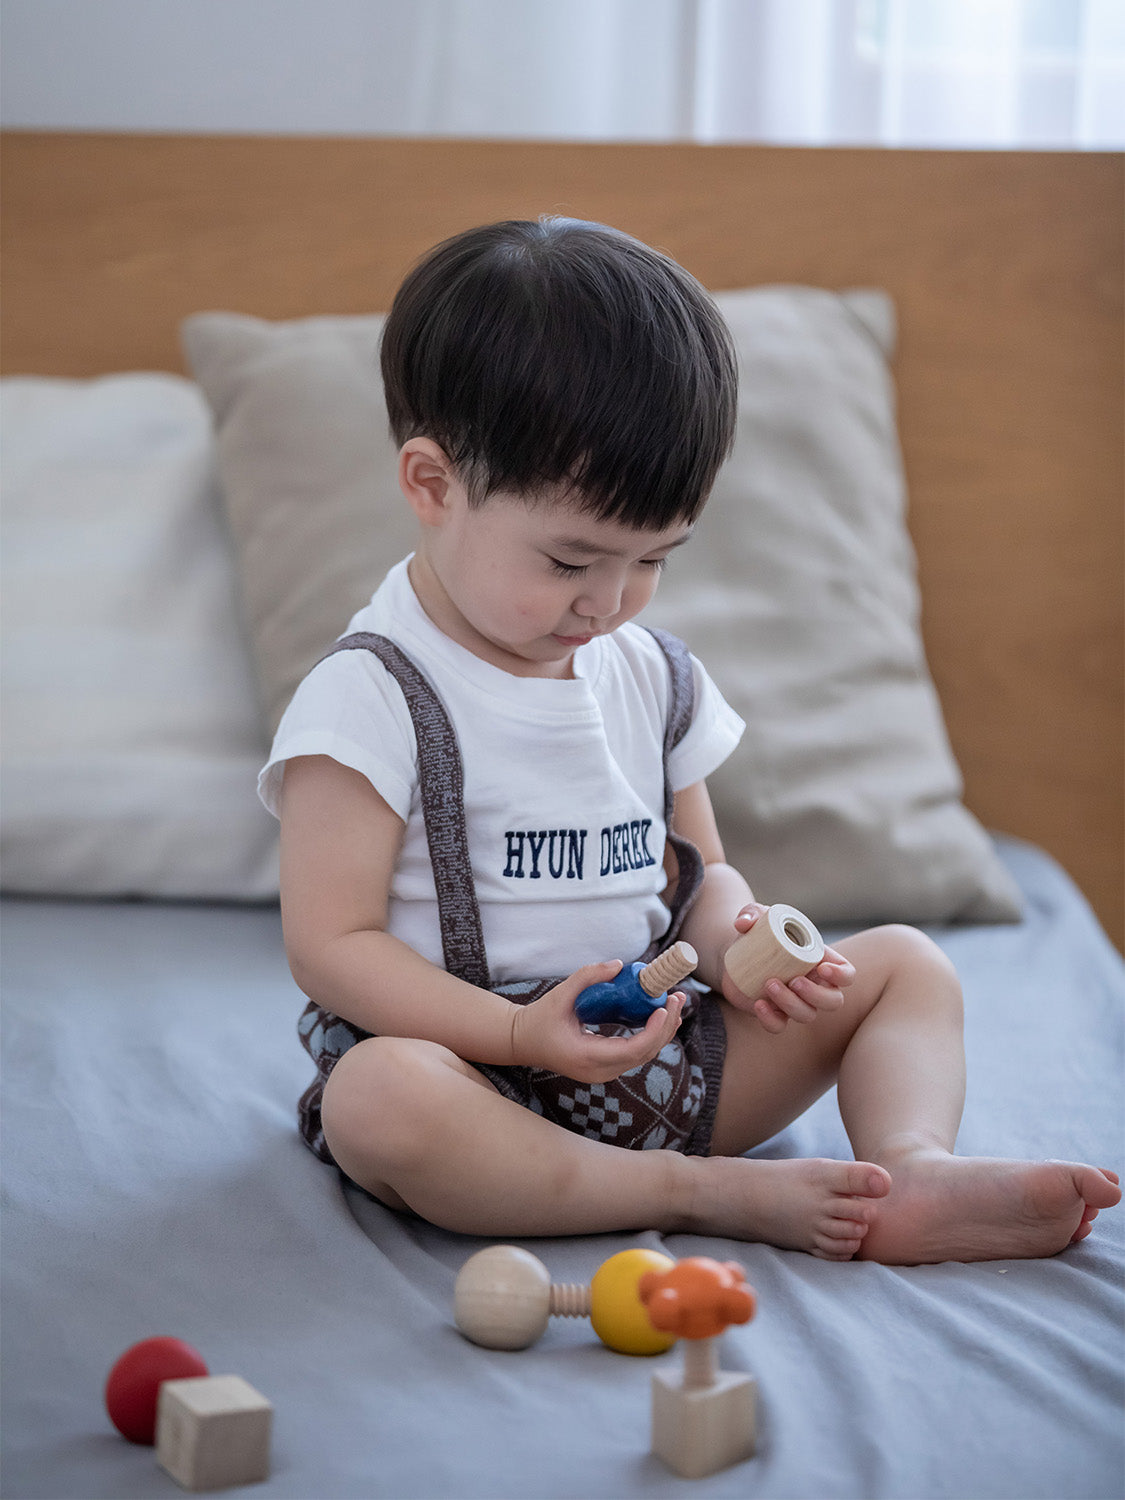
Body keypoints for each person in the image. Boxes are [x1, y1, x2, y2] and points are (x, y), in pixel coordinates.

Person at [262, 217, 1119, 1264]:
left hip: (660, 1058)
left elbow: (696, 874)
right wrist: (524, 1036)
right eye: (572, 561)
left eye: (652, 560)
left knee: (905, 966)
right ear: (434, 485)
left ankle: (906, 1166)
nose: (610, 602)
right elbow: (331, 944)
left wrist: (743, 946)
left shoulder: (651, 673)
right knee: (378, 1100)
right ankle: (700, 1195)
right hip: (473, 1078)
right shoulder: (372, 695)